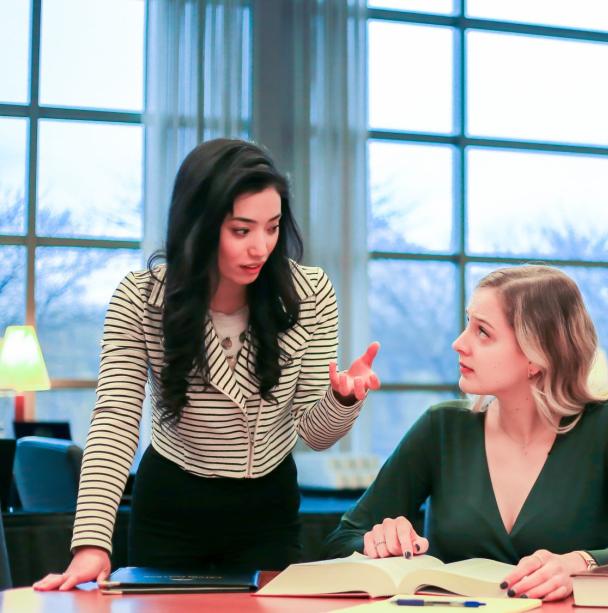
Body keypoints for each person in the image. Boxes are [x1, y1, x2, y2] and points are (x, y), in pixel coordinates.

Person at [35, 139, 382, 590]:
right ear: (199, 225)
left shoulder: (309, 294)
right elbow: (114, 422)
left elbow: (315, 435)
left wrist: (341, 398)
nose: (261, 247)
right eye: (242, 230)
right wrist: (91, 544)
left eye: (272, 227)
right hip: (172, 506)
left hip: (267, 511)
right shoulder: (142, 299)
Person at [323, 265, 608, 601]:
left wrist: (580, 563)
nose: (459, 343)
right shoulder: (441, 428)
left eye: (482, 331)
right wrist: (377, 541)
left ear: (536, 356)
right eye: (468, 323)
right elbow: (340, 539)